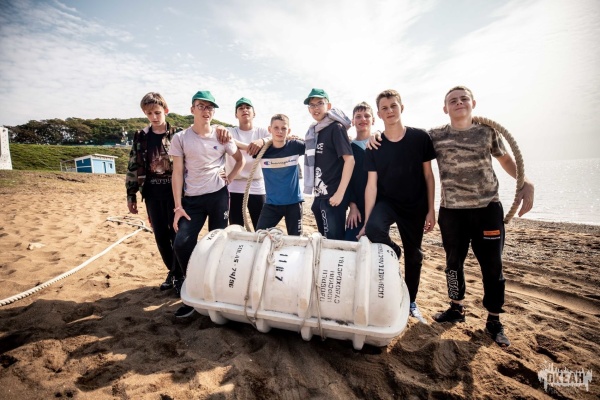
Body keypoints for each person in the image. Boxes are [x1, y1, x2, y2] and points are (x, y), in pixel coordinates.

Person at [429, 85, 535, 347]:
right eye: (453, 100)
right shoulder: (435, 136)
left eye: (464, 99)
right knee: (453, 264)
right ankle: (456, 307)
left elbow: (505, 160)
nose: (459, 103)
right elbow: (408, 144)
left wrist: (525, 182)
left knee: (492, 266)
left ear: (473, 103)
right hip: (452, 211)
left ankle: (494, 320)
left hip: (487, 209)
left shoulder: (487, 132)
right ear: (445, 108)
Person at [358, 89, 436, 324]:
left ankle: (411, 302)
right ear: (379, 114)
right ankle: (395, 251)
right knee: (374, 229)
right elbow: (371, 185)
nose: (390, 110)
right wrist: (366, 222)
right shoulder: (374, 145)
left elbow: (429, 175)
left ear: (402, 107)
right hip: (388, 202)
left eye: (393, 106)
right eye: (384, 108)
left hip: (415, 205)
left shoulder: (420, 138)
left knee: (415, 256)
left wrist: (431, 209)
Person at [168, 90, 245, 318]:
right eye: (201, 106)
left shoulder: (222, 136)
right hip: (192, 200)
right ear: (192, 109)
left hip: (218, 196)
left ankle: (216, 290)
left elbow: (239, 160)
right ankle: (192, 287)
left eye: (210, 107)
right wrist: (178, 206)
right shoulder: (181, 138)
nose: (206, 111)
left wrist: (230, 178)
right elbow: (177, 173)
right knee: (182, 244)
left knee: (218, 244)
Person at [125, 92, 181, 292]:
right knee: (161, 237)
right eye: (149, 113)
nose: (154, 117)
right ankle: (173, 272)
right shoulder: (141, 136)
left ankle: (179, 275)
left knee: (177, 235)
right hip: (151, 194)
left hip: (175, 194)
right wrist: (131, 194)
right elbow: (133, 164)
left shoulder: (178, 134)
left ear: (166, 111)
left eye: (157, 112)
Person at [303, 88, 354, 240]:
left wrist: (340, 194)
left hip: (333, 195)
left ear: (328, 106)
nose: (316, 108)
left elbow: (350, 160)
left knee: (334, 242)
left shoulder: (336, 128)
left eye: (320, 103)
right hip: (320, 196)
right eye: (312, 105)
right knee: (324, 240)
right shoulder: (314, 133)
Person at [252, 114, 305, 235]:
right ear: (269, 129)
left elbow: (316, 148)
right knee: (259, 235)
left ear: (289, 131)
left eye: (284, 128)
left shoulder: (295, 146)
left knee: (296, 240)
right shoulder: (263, 151)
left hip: (294, 204)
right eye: (276, 127)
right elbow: (242, 147)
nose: (280, 131)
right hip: (272, 204)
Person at [225, 97, 271, 230]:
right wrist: (249, 147)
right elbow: (223, 135)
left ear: (254, 113)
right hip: (234, 185)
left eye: (247, 107)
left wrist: (262, 141)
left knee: (261, 227)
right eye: (240, 108)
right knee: (236, 227)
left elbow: (274, 137)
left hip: (257, 184)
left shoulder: (262, 132)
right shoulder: (231, 132)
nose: (244, 110)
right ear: (236, 114)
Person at [344, 102, 376, 241]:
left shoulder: (380, 143)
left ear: (373, 120)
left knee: (376, 244)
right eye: (358, 116)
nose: (363, 119)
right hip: (357, 207)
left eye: (367, 116)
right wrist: (352, 206)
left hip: (378, 206)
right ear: (353, 121)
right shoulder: (348, 149)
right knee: (350, 242)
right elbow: (346, 180)